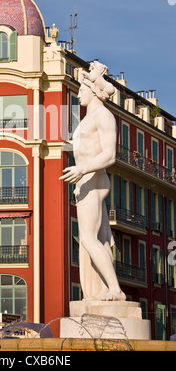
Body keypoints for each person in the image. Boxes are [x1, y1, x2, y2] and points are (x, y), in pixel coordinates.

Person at [60, 61, 126, 301]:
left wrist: (82, 169)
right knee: (97, 239)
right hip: (85, 182)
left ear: (95, 90)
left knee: (87, 237)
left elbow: (109, 155)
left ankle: (115, 290)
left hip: (93, 180)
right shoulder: (88, 119)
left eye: (82, 90)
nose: (78, 94)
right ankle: (101, 290)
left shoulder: (104, 116)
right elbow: (85, 148)